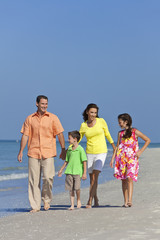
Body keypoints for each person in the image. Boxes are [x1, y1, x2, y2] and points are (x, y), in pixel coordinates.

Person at [17, 95, 66, 213]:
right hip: (33, 152)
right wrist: (21, 151)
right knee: (33, 180)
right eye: (42, 104)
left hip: (48, 152)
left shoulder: (53, 118)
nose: (44, 106)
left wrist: (63, 150)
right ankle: (35, 206)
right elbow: (25, 135)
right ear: (37, 104)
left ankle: (46, 199)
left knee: (48, 178)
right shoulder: (29, 119)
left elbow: (60, 133)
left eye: (46, 104)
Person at [110, 113, 150, 207]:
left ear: (126, 122)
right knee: (123, 180)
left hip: (132, 159)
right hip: (121, 159)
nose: (119, 124)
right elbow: (117, 147)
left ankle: (130, 200)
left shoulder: (135, 132)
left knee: (129, 178)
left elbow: (147, 140)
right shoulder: (120, 133)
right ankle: (125, 201)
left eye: (120, 122)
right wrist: (112, 159)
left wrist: (140, 152)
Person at [79, 103, 116, 208]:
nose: (94, 114)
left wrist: (113, 146)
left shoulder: (101, 121)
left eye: (95, 112)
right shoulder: (83, 125)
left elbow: (107, 133)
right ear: (87, 112)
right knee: (92, 179)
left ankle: (89, 200)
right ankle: (96, 199)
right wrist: (71, 147)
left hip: (101, 152)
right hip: (89, 153)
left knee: (95, 176)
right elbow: (79, 138)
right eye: (92, 112)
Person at [58, 131, 87, 210]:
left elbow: (84, 161)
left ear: (75, 139)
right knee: (71, 189)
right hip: (69, 172)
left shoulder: (80, 149)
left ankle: (78, 200)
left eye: (69, 138)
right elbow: (66, 161)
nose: (68, 140)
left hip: (77, 172)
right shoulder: (69, 149)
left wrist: (84, 173)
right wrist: (61, 170)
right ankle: (72, 205)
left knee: (77, 188)